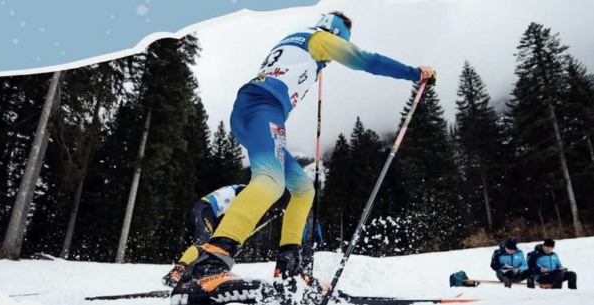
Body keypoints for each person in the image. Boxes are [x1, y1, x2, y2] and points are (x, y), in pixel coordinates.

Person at [163, 11, 437, 304]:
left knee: (303, 190)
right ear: (336, 33)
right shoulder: (321, 39)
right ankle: (211, 266)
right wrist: (414, 72)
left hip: (252, 111)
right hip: (262, 107)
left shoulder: (299, 40)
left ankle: (291, 270)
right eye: (342, 40)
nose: (336, 52)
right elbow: (366, 60)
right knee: (269, 184)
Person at [189, 184, 322, 247]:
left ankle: (196, 274)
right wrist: (271, 209)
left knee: (210, 244)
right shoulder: (245, 189)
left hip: (209, 211)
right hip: (205, 209)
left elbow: (253, 205)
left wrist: (271, 211)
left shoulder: (243, 192)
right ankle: (178, 273)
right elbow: (253, 203)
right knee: (203, 243)